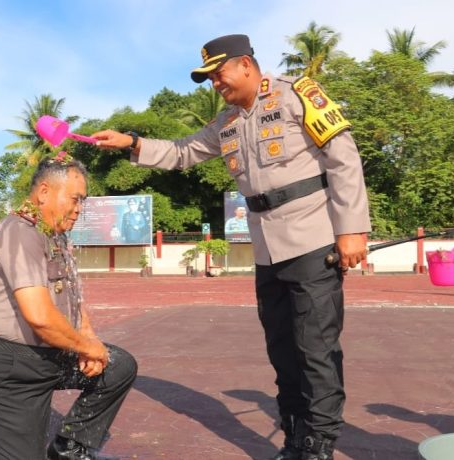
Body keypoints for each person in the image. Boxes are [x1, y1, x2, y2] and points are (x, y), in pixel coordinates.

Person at [92, 34, 371, 460]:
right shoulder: (226, 122)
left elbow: (343, 157)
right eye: (208, 79)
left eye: (218, 74)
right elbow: (182, 152)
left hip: (313, 239)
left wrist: (352, 229)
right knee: (282, 352)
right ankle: (295, 440)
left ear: (244, 64)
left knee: (315, 350)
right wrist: (132, 143)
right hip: (267, 249)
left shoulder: (297, 94)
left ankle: (319, 446)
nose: (215, 84)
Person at [0, 154, 138, 460]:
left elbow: (72, 297)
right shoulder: (20, 233)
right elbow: (40, 318)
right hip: (10, 366)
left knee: (118, 366)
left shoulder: (52, 234)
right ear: (44, 192)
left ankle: (68, 450)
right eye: (75, 199)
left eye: (82, 201)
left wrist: (90, 339)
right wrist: (87, 348)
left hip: (51, 355)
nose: (79, 209)